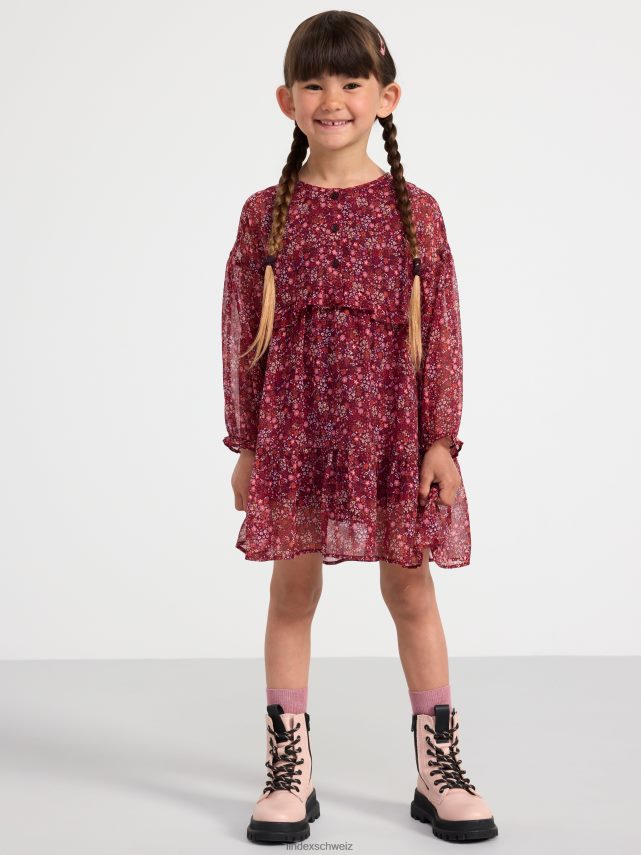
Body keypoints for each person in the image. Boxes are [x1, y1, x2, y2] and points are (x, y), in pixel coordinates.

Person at [221, 11, 498, 846]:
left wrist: (440, 438)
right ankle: (288, 769)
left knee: (410, 589)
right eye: (312, 83)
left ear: (386, 97)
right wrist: (247, 444)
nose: (331, 99)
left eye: (350, 82)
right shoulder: (265, 215)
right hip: (296, 431)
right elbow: (240, 336)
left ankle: (438, 764)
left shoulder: (416, 212)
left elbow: (442, 329)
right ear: (286, 100)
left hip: (390, 433)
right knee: (292, 591)